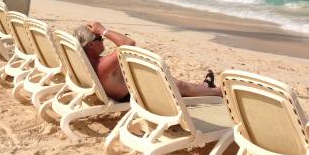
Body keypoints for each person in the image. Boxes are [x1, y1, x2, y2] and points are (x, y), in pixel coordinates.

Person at [73, 22, 222, 102]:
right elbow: (128, 44)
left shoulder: (82, 60)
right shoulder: (101, 65)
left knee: (173, 82)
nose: (103, 40)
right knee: (178, 85)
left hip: (130, 88)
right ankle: (220, 92)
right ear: (91, 44)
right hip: (136, 96)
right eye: (99, 38)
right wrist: (103, 30)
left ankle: (204, 87)